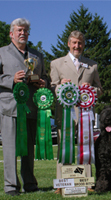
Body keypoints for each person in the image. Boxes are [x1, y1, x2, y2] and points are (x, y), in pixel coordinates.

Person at [50, 30, 103, 194]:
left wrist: (90, 90)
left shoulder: (92, 65)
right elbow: (51, 87)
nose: (76, 46)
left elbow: (100, 89)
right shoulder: (56, 63)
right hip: (65, 113)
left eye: (79, 43)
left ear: (83, 45)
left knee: (85, 147)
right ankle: (61, 183)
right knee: (63, 149)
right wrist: (60, 86)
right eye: (74, 42)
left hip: (85, 113)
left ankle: (87, 182)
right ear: (68, 43)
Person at [0, 18, 48, 196]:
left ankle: (30, 183)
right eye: (19, 30)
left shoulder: (37, 55)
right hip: (10, 108)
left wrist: (43, 82)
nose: (23, 33)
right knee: (11, 148)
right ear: (11, 33)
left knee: (29, 149)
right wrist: (10, 80)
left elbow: (45, 77)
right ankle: (11, 186)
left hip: (31, 108)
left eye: (26, 30)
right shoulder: (1, 53)